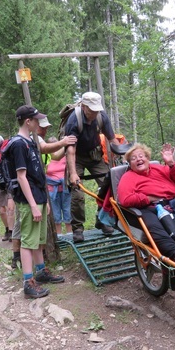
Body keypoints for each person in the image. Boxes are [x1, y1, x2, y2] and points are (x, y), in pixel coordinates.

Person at [8, 105, 65, 298]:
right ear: (28, 121)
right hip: (27, 200)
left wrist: (43, 201)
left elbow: (37, 172)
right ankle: (28, 281)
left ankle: (40, 272)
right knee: (28, 242)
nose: (39, 123)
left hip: (39, 196)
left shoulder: (31, 142)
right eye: (36, 120)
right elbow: (22, 176)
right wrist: (33, 205)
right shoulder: (18, 144)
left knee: (39, 240)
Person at [65, 92, 119, 242]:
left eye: (97, 110)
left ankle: (102, 219)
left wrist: (124, 155)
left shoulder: (102, 116)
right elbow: (70, 150)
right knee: (77, 191)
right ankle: (77, 228)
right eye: (91, 110)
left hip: (95, 155)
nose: (94, 113)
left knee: (110, 185)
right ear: (84, 107)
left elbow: (112, 139)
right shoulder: (73, 120)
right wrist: (73, 173)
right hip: (76, 156)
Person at [45, 138, 72, 235]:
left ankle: (70, 234)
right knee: (55, 213)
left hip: (65, 187)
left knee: (67, 210)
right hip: (52, 189)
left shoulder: (65, 156)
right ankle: (59, 235)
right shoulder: (46, 158)